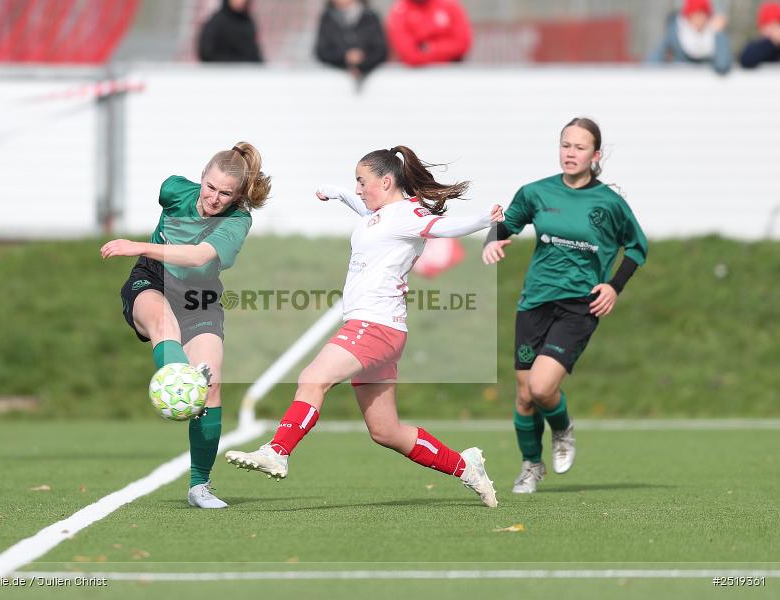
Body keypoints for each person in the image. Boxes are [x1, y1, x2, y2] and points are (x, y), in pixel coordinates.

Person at [225, 146, 502, 508]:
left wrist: (484, 219)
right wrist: (340, 194)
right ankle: (466, 467)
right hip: (379, 329)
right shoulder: (383, 215)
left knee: (312, 378)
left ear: (386, 182)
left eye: (361, 181)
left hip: (374, 326)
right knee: (385, 431)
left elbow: (444, 227)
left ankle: (278, 451)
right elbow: (368, 214)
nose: (358, 189)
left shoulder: (407, 215)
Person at [482, 118, 648, 494]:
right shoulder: (536, 192)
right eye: (566, 145)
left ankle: (562, 429)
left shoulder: (609, 203)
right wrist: (492, 239)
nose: (571, 153)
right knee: (524, 395)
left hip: (578, 306)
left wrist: (614, 286)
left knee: (541, 388)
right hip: (534, 302)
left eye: (580, 147)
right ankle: (530, 465)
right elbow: (507, 225)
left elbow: (637, 247)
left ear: (596, 155)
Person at [101, 142, 271, 508]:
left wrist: (138, 245)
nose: (214, 198)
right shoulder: (174, 189)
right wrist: (144, 253)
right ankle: (175, 386)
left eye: (226, 193)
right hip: (153, 281)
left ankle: (199, 486)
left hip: (199, 298)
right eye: (211, 187)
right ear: (201, 179)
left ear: (238, 196)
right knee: (163, 326)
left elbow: (197, 257)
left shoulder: (238, 220)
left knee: (212, 386)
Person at [647, 0, 732, 75]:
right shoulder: (675, 35)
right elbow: (651, 64)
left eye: (703, 14)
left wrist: (719, 33)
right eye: (695, 14)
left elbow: (722, 65)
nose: (699, 19)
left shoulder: (714, 36)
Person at [386, 0, 472, 67]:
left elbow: (462, 44)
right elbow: (410, 54)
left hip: (451, 72)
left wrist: (430, 48)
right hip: (414, 76)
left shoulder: (449, 5)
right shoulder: (399, 11)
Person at [315, 0, 388, 79]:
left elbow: (380, 51)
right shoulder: (327, 18)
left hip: (370, 77)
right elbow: (322, 51)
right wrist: (345, 57)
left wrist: (362, 61)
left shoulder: (370, 17)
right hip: (335, 78)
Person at [198, 0, 263, 63]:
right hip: (220, 71)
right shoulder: (216, 22)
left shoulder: (248, 22)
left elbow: (253, 53)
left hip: (245, 71)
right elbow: (206, 53)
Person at [740, 1, 780, 68]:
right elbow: (746, 60)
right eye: (769, 26)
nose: (772, 31)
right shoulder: (759, 46)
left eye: (776, 26)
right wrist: (772, 42)